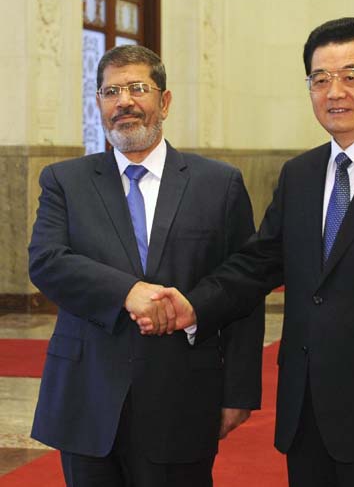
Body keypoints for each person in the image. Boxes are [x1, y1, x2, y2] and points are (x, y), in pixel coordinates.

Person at [148, 18, 354, 487]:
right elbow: (259, 262)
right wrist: (193, 304)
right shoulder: (300, 174)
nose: (333, 91)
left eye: (350, 75)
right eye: (320, 79)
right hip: (306, 413)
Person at [28, 44, 264, 487]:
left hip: (183, 397)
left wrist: (239, 392)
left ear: (165, 100)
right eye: (111, 91)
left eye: (138, 88)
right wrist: (126, 292)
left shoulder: (218, 184)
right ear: (99, 103)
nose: (124, 102)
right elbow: (47, 261)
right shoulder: (65, 181)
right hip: (87, 397)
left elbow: (242, 288)